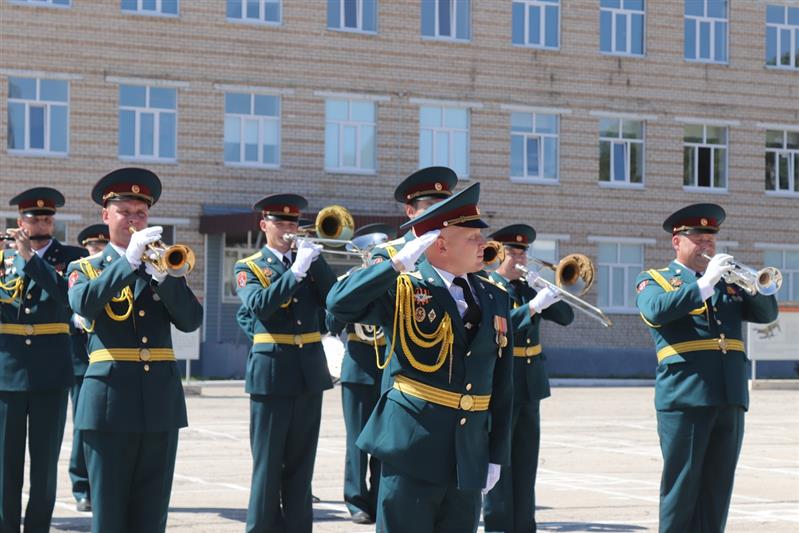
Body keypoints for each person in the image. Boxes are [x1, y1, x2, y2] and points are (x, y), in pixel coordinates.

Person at [326, 182, 513, 533]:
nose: (483, 244)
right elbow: (338, 303)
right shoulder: (404, 288)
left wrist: (495, 454)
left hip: (468, 455)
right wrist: (395, 263)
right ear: (440, 244)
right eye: (472, 237)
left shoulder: (494, 296)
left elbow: (503, 384)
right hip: (412, 448)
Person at [67, 168, 203, 533]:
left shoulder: (160, 266)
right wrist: (128, 263)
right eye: (125, 211)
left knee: (152, 516)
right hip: (109, 403)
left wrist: (166, 279)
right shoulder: (85, 268)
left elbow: (191, 321)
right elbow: (86, 304)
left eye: (140, 213)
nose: (133, 220)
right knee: (110, 516)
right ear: (106, 215)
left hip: (160, 402)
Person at [635, 203, 779, 533]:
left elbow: (766, 313)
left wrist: (749, 281)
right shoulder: (654, 280)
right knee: (682, 489)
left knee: (717, 491)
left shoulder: (727, 284)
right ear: (677, 242)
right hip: (685, 397)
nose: (706, 246)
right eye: (698, 239)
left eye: (711, 241)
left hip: (729, 396)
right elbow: (655, 311)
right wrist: (704, 283)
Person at [234, 194, 337, 533]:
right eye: (280, 222)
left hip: (309, 372)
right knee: (267, 464)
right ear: (264, 225)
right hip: (272, 372)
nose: (288, 229)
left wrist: (316, 263)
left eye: (293, 222)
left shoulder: (308, 264)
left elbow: (334, 301)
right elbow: (259, 305)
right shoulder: (248, 267)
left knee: (301, 464)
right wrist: (295, 271)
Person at [0, 187, 84, 533]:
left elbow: (67, 298)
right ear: (21, 221)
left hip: (51, 372)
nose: (43, 223)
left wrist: (30, 259)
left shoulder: (73, 258)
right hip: (7, 371)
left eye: (48, 218)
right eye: (35, 218)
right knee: (6, 465)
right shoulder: (3, 258)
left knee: (45, 465)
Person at [482, 224, 574, 533]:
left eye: (523, 251)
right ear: (498, 253)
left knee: (525, 462)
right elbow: (498, 327)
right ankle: (497, 526)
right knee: (498, 461)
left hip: (530, 385)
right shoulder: (486, 286)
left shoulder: (526, 288)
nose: (520, 257)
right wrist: (533, 307)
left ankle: (524, 526)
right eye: (513, 251)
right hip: (500, 385)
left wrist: (547, 291)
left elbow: (566, 318)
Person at [325, 222, 397, 525]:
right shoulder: (351, 280)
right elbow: (331, 321)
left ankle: (380, 494)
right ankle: (355, 500)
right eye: (372, 253)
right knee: (357, 439)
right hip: (359, 363)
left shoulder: (396, 281)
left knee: (384, 438)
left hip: (389, 364)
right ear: (363, 255)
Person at [67, 223, 109, 513]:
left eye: (102, 246)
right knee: (84, 427)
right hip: (82, 362)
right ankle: (82, 485)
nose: (98, 250)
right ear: (86, 248)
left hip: (110, 362)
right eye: (93, 246)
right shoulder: (80, 272)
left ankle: (103, 484)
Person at [370, 166, 457, 263]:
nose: (439, 213)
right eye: (431, 207)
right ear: (410, 212)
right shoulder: (388, 254)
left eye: (443, 207)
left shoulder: (461, 252)